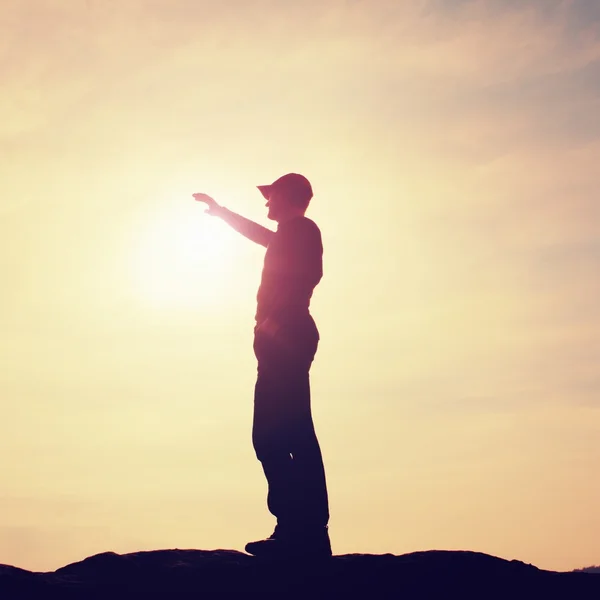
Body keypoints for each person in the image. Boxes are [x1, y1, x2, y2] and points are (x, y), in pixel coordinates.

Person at [192, 173, 331, 559]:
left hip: (286, 335)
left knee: (280, 434)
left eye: (271, 197)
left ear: (288, 197)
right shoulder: (290, 234)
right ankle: (302, 530)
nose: (266, 204)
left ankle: (300, 531)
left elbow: (309, 275)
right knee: (280, 433)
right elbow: (261, 236)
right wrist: (222, 214)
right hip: (281, 338)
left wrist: (275, 319)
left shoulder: (302, 230)